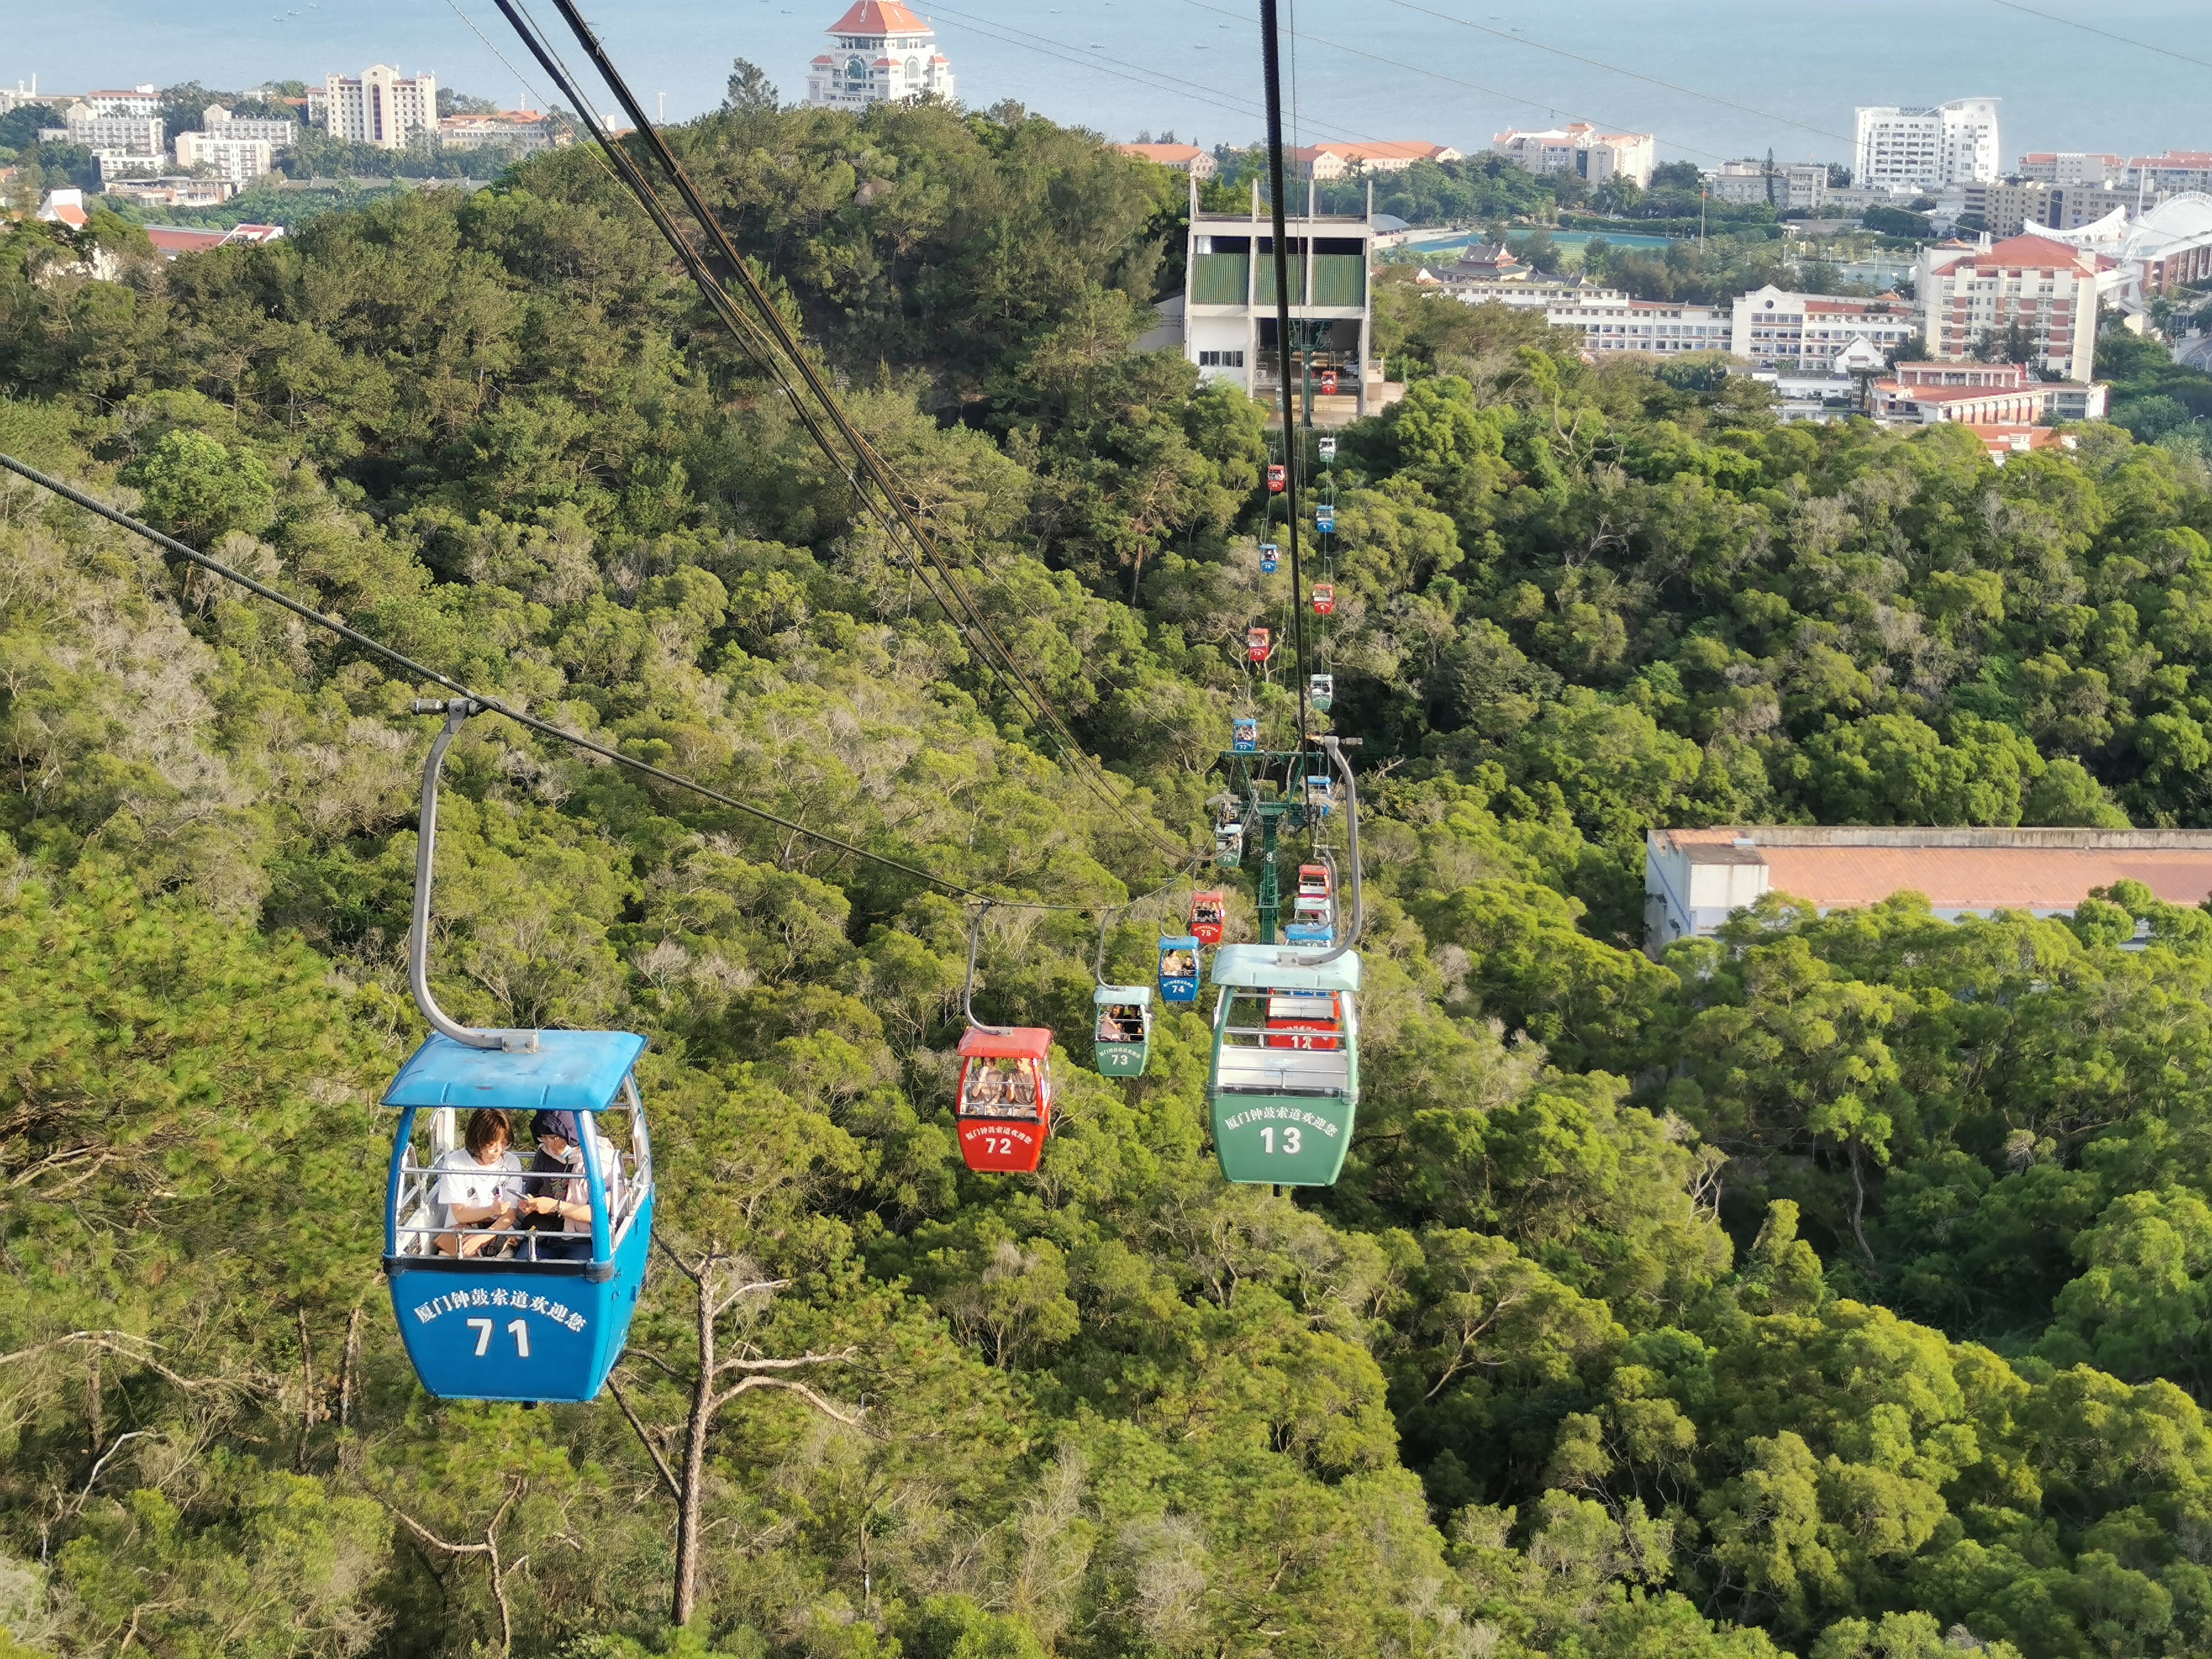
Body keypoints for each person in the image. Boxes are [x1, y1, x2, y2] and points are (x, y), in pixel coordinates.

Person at [517, 1108, 624, 1259]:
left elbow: (600, 1213)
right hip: (547, 1231)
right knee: (521, 1264)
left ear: (571, 1135)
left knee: (574, 1271)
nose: (548, 1143)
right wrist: (529, 1202)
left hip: (584, 1238)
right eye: (543, 1138)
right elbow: (533, 1189)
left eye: (553, 1138)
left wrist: (556, 1206)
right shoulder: (544, 1154)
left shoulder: (600, 1161)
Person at [432, 1107, 523, 1257]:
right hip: (463, 1227)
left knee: (501, 1260)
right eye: (492, 1145)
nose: (499, 1151)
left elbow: (510, 1215)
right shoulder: (455, 1162)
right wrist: (491, 1211)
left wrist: (482, 1237)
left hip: (496, 1229)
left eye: (504, 1144)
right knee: (455, 1258)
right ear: (478, 1142)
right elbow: (460, 1214)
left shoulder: (511, 1163)